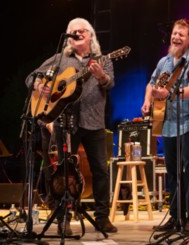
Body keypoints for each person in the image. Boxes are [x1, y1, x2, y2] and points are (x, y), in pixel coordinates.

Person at [26, 17, 117, 235]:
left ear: (90, 35)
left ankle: (102, 218)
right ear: (68, 37)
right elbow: (31, 77)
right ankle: (63, 218)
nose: (77, 34)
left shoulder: (103, 60)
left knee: (101, 171)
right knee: (62, 172)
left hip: (94, 122)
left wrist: (101, 76)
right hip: (65, 123)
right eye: (72, 31)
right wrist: (40, 85)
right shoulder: (59, 60)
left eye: (81, 31)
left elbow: (110, 83)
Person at [141, 18, 189, 232]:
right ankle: (175, 218)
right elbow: (152, 84)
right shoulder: (164, 61)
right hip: (168, 124)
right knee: (172, 172)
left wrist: (169, 93)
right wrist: (147, 101)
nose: (176, 37)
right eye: (174, 33)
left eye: (181, 34)